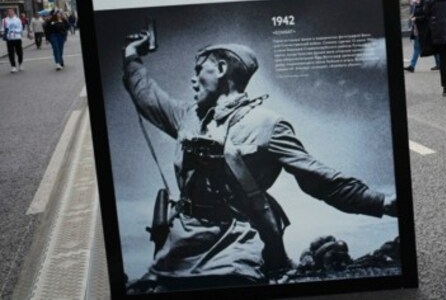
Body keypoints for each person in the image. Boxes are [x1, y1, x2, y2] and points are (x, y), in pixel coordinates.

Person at [122, 39, 398, 293]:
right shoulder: (188, 117)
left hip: (233, 252)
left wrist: (381, 203)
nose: (192, 79)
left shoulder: (268, 125)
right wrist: (132, 56)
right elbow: (147, 96)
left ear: (221, 69)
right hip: (176, 251)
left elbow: (320, 180)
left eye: (199, 70)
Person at [405, 0, 440, 72]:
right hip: (419, 28)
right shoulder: (419, 2)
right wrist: (414, 15)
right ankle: (412, 66)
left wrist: (416, 18)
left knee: (433, 46)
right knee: (417, 47)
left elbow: (427, 16)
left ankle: (439, 64)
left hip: (426, 29)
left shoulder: (426, 1)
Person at [3, 8, 24, 73]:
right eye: (9, 12)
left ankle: (20, 64)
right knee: (11, 53)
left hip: (17, 38)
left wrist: (14, 31)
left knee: (19, 52)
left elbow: (20, 28)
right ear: (7, 13)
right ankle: (13, 66)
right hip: (9, 39)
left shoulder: (18, 20)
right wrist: (3, 33)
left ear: (14, 12)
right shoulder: (4, 20)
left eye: (11, 12)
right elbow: (2, 29)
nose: (10, 13)